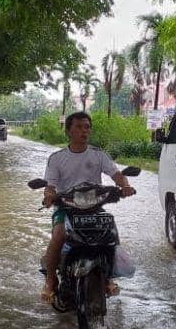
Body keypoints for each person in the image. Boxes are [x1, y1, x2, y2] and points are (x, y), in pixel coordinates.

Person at [40, 111, 135, 304]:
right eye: (79, 127)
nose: (84, 131)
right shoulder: (57, 158)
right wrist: (49, 196)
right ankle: (51, 281)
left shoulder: (98, 154)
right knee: (58, 235)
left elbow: (116, 174)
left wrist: (124, 186)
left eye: (87, 127)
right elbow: (50, 186)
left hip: (94, 207)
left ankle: (108, 277)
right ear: (68, 131)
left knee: (111, 231)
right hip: (65, 208)